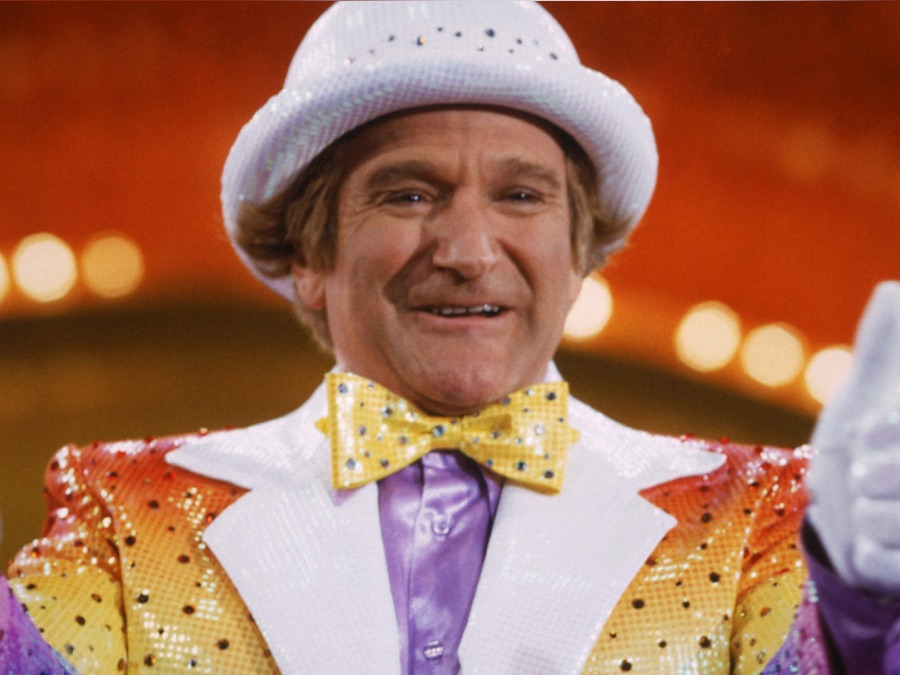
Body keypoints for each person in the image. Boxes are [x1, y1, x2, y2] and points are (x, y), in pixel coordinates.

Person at [2, 2, 899, 673]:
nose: (469, 253)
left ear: (578, 253)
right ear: (309, 255)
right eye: (410, 194)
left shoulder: (751, 514)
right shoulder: (129, 511)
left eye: (521, 196)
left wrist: (868, 616)